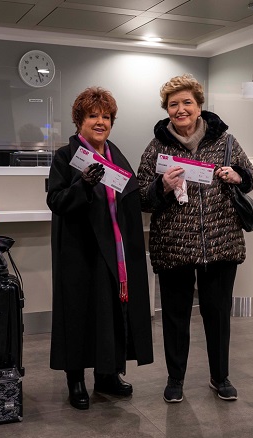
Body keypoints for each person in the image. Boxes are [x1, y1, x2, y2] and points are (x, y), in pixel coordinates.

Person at [137, 74, 253, 403]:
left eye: (187, 102)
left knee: (217, 316)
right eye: (173, 104)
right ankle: (175, 379)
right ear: (166, 109)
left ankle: (220, 377)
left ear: (199, 105)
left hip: (220, 244)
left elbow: (251, 179)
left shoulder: (226, 142)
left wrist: (238, 175)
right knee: (175, 318)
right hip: (173, 247)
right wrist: (161, 187)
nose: (181, 109)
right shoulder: (156, 147)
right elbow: (140, 198)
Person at [46, 87, 154, 410]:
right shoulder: (66, 157)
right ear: (80, 120)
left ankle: (107, 375)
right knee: (77, 312)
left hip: (112, 251)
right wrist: (83, 185)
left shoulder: (116, 155)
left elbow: (131, 196)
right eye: (93, 116)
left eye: (105, 117)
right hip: (78, 252)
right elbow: (55, 201)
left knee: (110, 313)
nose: (100, 122)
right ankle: (75, 379)